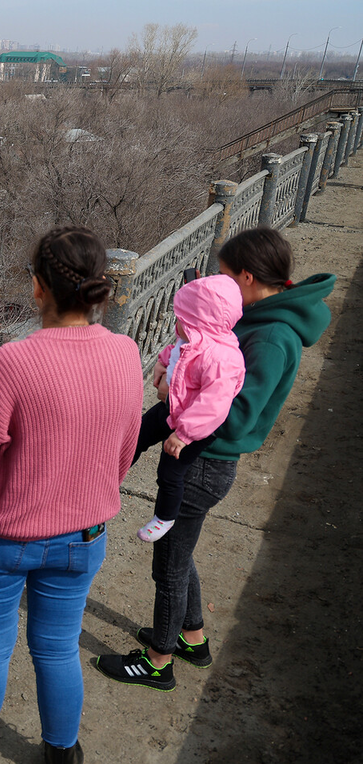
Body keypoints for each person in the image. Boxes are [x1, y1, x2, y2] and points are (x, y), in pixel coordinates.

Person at [0, 227, 143, 764]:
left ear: (36, 287)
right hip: (83, 532)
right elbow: (125, 446)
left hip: (4, 536)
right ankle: (59, 763)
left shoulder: (13, 362)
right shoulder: (125, 353)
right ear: (100, 290)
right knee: (57, 645)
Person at [96, 227, 335, 691]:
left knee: (168, 564)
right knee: (180, 554)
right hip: (205, 457)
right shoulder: (258, 317)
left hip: (205, 460)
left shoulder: (270, 336)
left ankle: (158, 660)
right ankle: (192, 638)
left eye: (224, 276)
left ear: (246, 277)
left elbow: (235, 414)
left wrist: (176, 403)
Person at [134, 275, 246, 543]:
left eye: (180, 320)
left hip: (193, 428)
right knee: (133, 437)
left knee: (170, 473)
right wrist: (162, 364)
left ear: (198, 325)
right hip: (169, 409)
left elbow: (213, 405)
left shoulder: (221, 358)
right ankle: (107, 478)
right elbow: (175, 354)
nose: (175, 325)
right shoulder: (192, 342)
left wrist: (183, 435)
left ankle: (164, 517)